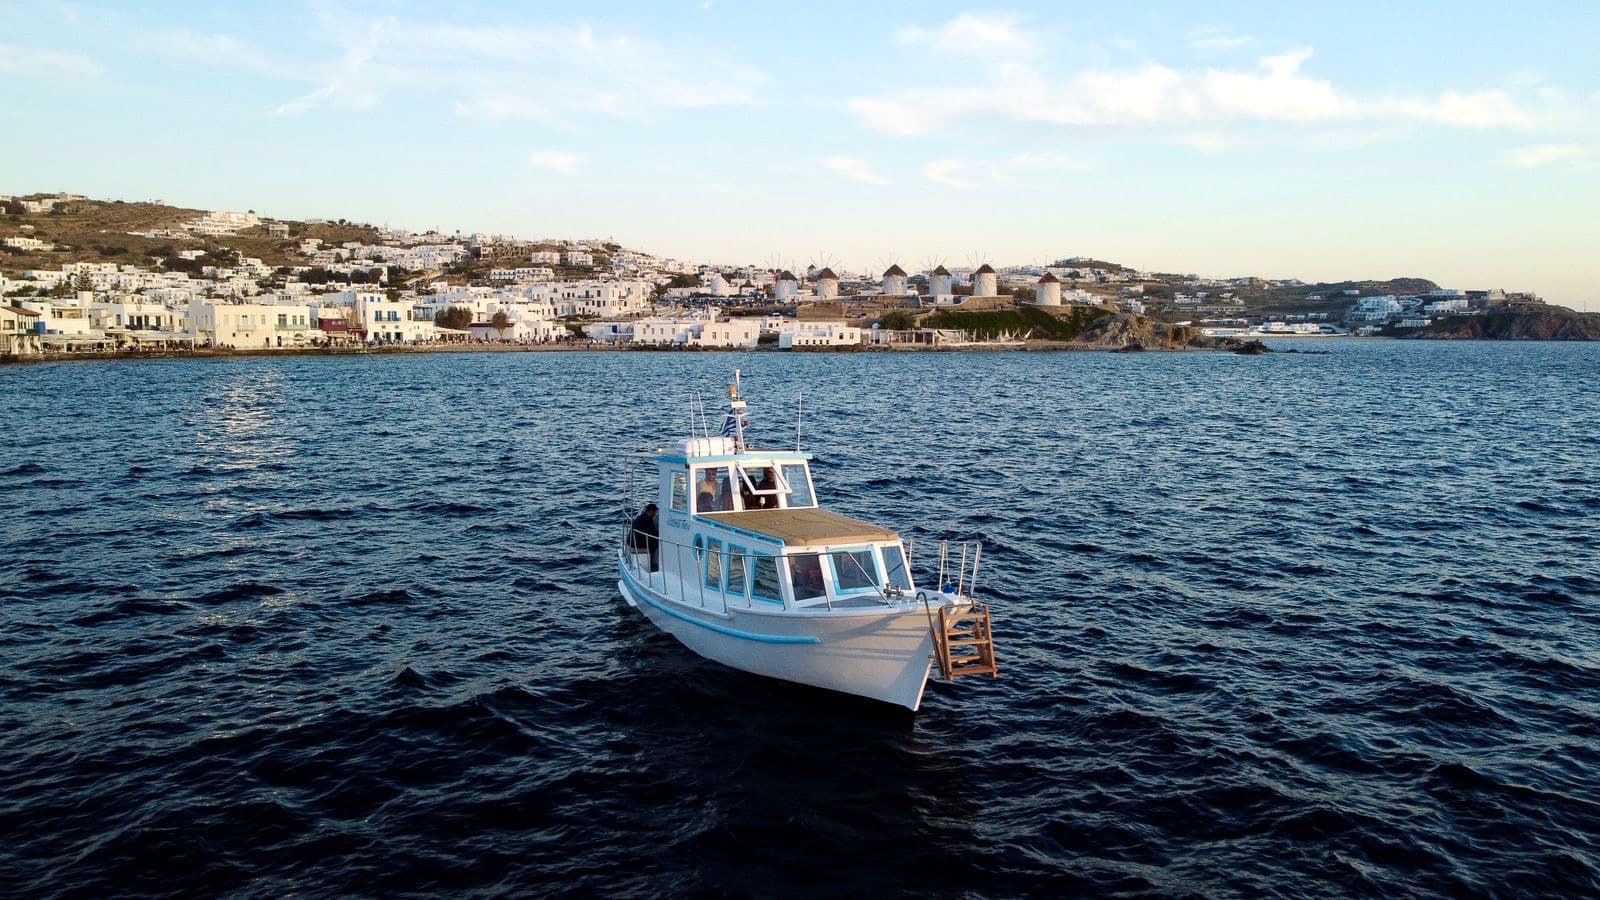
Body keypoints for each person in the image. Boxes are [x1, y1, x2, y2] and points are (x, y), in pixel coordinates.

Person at [629, 503, 659, 572]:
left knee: (653, 543)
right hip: (637, 542)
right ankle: (651, 565)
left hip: (634, 540)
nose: (655, 514)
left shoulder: (642, 517)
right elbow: (653, 533)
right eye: (655, 512)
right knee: (653, 546)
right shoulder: (648, 519)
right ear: (651, 511)